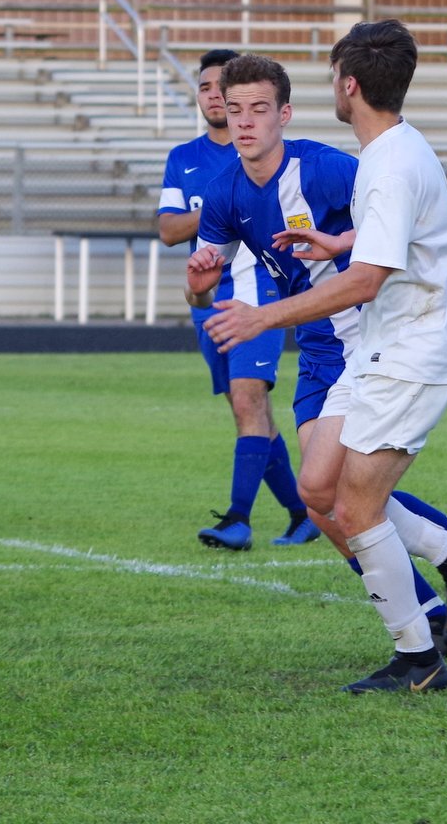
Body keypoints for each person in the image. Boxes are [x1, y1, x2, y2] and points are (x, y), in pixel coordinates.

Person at [201, 24, 447, 693]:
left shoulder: (384, 165)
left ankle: (418, 657)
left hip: (412, 349)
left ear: (349, 84)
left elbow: (365, 283)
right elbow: (393, 237)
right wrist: (341, 243)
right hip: (379, 345)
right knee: (319, 490)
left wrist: (262, 316)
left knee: (356, 507)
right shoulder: (390, 150)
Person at [157, 49, 319, 551]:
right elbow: (168, 230)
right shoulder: (184, 158)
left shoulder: (259, 150)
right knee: (250, 412)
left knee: (250, 401)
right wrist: (217, 208)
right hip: (208, 291)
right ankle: (303, 513)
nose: (212, 97)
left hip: (257, 286)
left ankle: (238, 520)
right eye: (205, 88)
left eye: (219, 88)